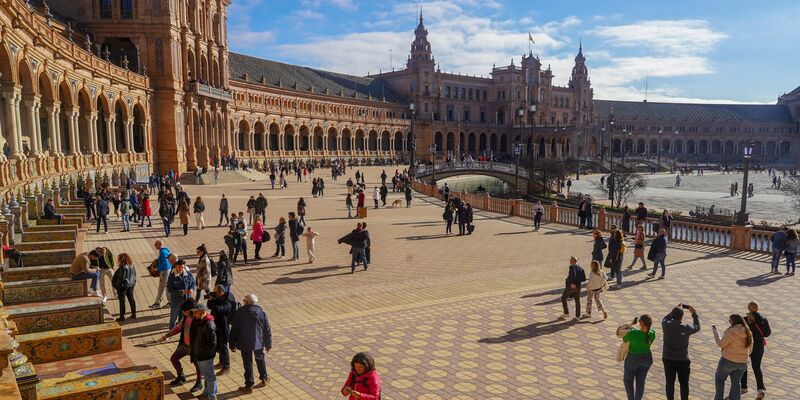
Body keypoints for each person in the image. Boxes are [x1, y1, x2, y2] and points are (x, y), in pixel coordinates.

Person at [230, 293, 273, 394]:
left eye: (244, 300)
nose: (243, 301)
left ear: (247, 302)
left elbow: (234, 329)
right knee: (260, 360)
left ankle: (249, 385)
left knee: (247, 363)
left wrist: (232, 344)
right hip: (258, 342)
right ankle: (264, 378)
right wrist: (268, 344)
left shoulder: (239, 313)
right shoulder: (261, 313)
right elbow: (267, 329)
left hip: (244, 342)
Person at [159, 298, 202, 391]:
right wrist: (167, 335)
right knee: (174, 359)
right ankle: (181, 376)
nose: (183, 312)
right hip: (185, 345)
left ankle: (199, 383)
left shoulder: (198, 319)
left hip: (195, 347)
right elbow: (178, 327)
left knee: (197, 365)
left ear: (191, 310)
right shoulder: (186, 317)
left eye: (184, 311)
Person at [662, 305, 701, 400]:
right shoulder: (686, 327)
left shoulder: (666, 325)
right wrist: (694, 314)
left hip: (668, 359)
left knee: (669, 382)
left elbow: (665, 318)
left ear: (672, 315)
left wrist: (675, 310)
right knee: (684, 383)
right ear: (682, 316)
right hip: (683, 360)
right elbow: (697, 327)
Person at [713, 314, 754, 400]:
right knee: (736, 382)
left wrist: (716, 333)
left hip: (727, 361)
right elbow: (750, 349)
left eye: (730, 321)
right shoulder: (748, 332)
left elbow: (721, 344)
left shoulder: (731, 332)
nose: (729, 322)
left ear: (734, 322)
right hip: (743, 363)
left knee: (720, 379)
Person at [741, 302, 770, 399]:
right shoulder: (763, 320)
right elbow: (767, 333)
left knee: (743, 365)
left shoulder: (745, 319)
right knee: (757, 368)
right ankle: (760, 390)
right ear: (757, 308)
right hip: (758, 347)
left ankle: (744, 387)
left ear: (748, 308)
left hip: (747, 345)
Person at [623, 314, 655, 400]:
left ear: (641, 323)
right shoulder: (652, 333)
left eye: (640, 321)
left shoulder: (632, 334)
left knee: (628, 380)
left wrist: (631, 326)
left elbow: (624, 338)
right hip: (647, 358)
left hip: (633, 359)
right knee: (640, 382)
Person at [190, 304, 218, 400]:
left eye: (196, 312)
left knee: (210, 377)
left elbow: (212, 343)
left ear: (202, 312)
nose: (194, 315)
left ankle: (212, 397)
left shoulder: (209, 324)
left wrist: (202, 353)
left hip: (205, 356)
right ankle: (207, 392)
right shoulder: (199, 321)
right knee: (206, 375)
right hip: (200, 354)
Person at [207, 284, 236, 376]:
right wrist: (210, 300)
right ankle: (221, 363)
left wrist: (213, 301)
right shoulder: (219, 298)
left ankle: (226, 366)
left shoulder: (228, 301)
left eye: (215, 292)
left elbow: (219, 310)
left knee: (223, 346)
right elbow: (210, 307)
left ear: (220, 292)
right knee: (219, 345)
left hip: (223, 326)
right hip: (216, 324)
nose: (214, 293)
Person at [168, 259, 196, 329]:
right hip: (176, 300)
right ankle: (171, 331)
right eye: (179, 267)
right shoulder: (172, 276)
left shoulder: (188, 274)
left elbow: (193, 282)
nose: (180, 269)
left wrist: (192, 289)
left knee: (183, 317)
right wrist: (181, 292)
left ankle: (181, 330)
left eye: (182, 267)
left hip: (186, 300)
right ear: (175, 266)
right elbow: (170, 289)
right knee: (173, 318)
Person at [558, 256, 585, 321]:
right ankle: (577, 316)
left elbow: (573, 276)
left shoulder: (572, 267)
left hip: (572, 287)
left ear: (573, 261)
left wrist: (571, 283)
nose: (569, 261)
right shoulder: (580, 268)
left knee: (563, 297)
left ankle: (566, 313)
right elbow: (583, 278)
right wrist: (578, 282)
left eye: (570, 260)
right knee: (577, 300)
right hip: (578, 287)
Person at [111, 253, 137, 321]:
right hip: (131, 285)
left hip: (123, 287)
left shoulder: (122, 267)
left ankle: (122, 316)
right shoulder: (132, 265)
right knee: (131, 299)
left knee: (122, 301)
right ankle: (134, 314)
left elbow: (121, 278)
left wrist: (116, 286)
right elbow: (134, 274)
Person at [150, 240, 172, 309]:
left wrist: (157, 268)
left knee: (162, 287)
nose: (154, 245)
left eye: (156, 244)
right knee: (165, 287)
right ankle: (169, 302)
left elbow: (165, 264)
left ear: (160, 244)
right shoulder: (165, 250)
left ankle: (158, 303)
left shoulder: (162, 252)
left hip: (165, 272)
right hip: (167, 270)